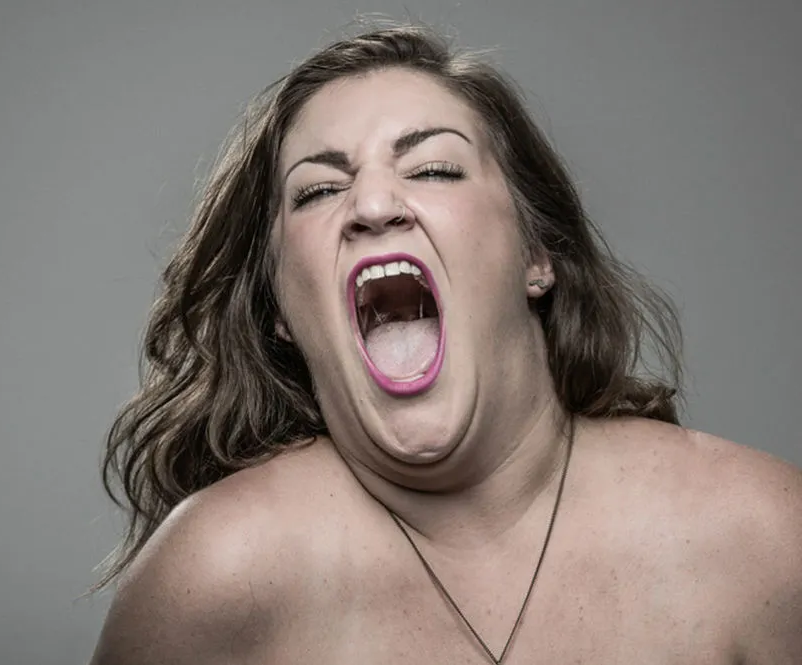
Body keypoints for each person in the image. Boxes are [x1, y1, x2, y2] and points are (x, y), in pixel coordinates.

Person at [89, 22, 802, 664]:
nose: (372, 206)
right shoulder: (215, 576)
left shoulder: (763, 536)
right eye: (318, 191)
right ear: (279, 306)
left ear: (535, 255)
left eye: (433, 169)